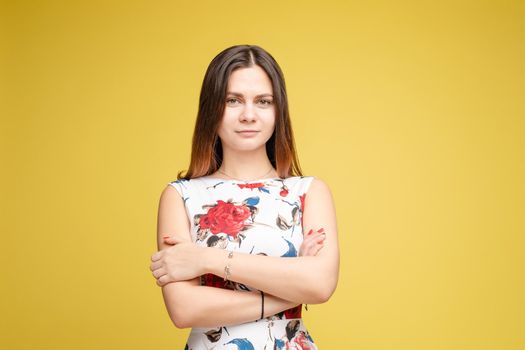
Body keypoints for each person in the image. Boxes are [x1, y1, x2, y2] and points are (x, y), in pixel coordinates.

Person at [149, 44, 339, 349]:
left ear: (279, 111)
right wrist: (291, 289)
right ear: (212, 108)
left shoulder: (309, 192)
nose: (249, 115)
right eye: (233, 100)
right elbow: (184, 309)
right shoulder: (180, 196)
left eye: (263, 101)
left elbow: (320, 284)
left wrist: (204, 258)